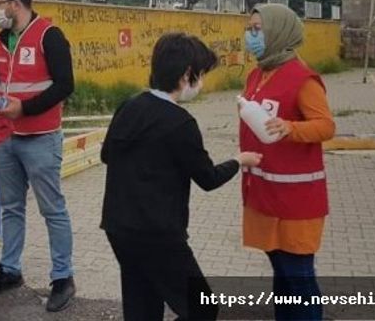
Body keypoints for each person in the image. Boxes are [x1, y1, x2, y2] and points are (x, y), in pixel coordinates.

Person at [100, 32, 263, 321]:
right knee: (202, 308)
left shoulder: (129, 106)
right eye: (200, 74)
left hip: (118, 226)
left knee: (142, 305)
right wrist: (239, 160)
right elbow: (208, 178)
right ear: (187, 74)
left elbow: (106, 156)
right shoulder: (180, 122)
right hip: (158, 234)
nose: (201, 82)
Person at [0, 0, 76, 312]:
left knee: (53, 210)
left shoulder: (49, 36)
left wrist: (25, 108)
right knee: (10, 208)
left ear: (16, 3)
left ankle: (63, 277)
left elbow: (65, 85)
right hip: (9, 140)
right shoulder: (0, 40)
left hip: (41, 138)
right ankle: (9, 270)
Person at [240, 4, 336, 321]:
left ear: (279, 32)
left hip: (296, 200)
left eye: (257, 29)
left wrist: (290, 127)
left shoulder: (303, 78)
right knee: (281, 273)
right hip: (264, 193)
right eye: (249, 28)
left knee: (298, 277)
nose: (250, 35)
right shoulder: (257, 74)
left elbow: (325, 126)